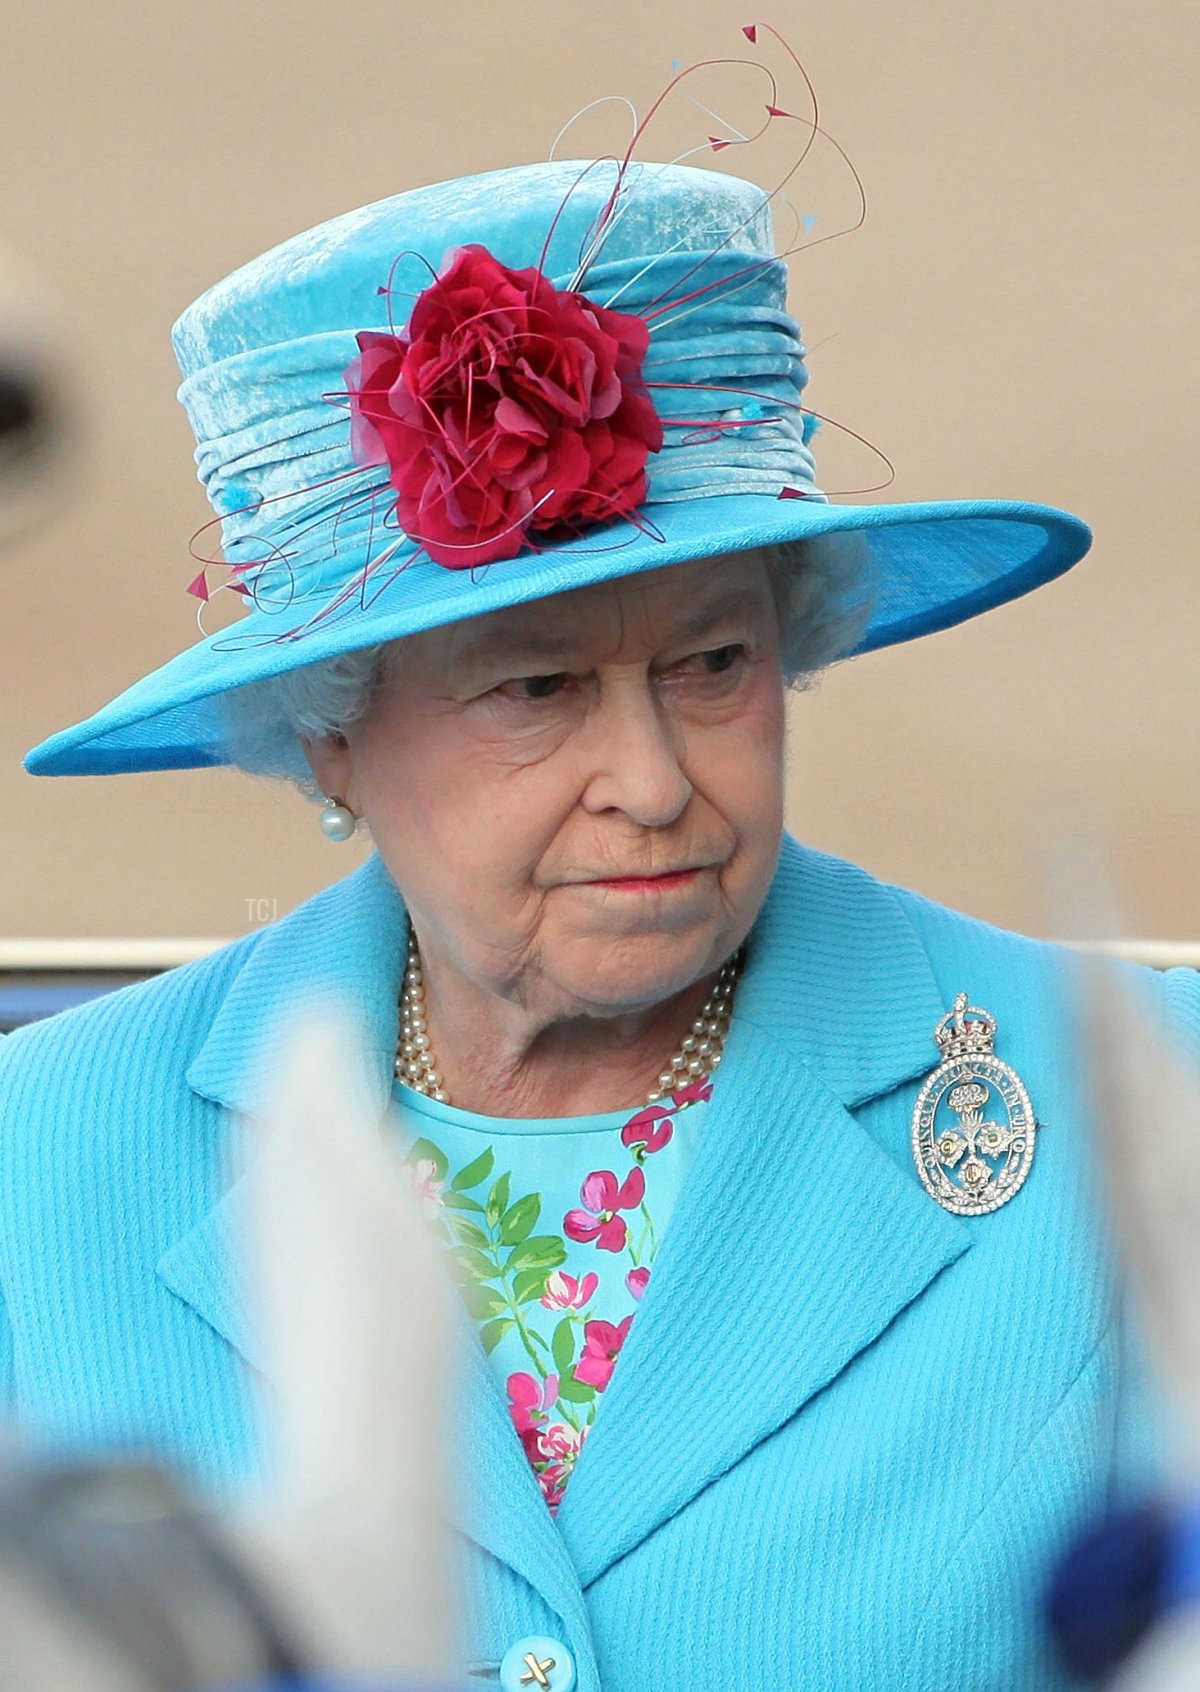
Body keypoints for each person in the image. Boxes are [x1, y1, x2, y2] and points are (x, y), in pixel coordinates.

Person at [2, 131, 1197, 1692]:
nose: (649, 778)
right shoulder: (37, 1163)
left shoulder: (1143, 1108)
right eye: (539, 686)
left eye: (711, 665)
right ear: (332, 732)